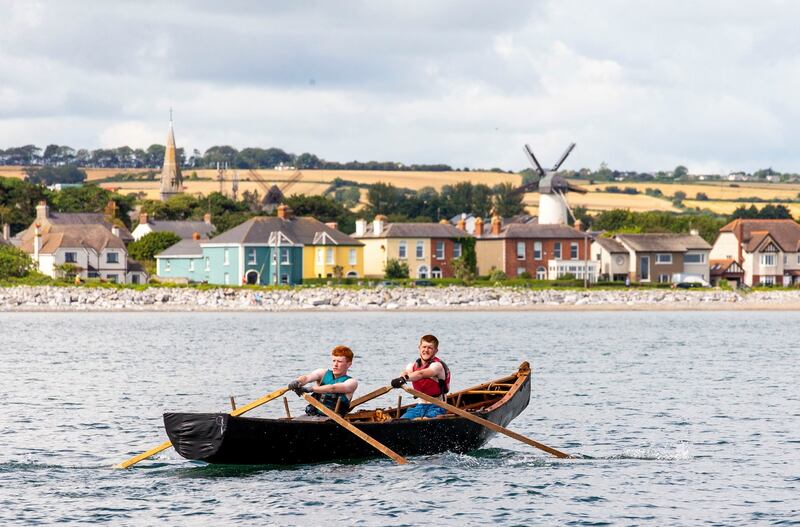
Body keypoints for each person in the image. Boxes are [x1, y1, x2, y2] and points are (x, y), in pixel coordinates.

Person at [390, 334, 451, 419]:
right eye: (424, 347)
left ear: (436, 351)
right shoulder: (411, 366)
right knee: (402, 420)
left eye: (430, 348)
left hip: (437, 407)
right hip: (419, 407)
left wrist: (404, 379)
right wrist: (401, 377)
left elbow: (421, 374)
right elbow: (406, 373)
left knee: (425, 420)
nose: (426, 350)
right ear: (419, 348)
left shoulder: (437, 366)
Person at [288, 345, 358, 417]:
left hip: (333, 421)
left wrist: (310, 389)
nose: (335, 364)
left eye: (339, 361)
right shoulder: (322, 373)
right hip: (312, 416)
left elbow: (332, 388)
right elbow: (307, 378)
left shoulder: (351, 382)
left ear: (349, 364)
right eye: (334, 361)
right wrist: (297, 381)